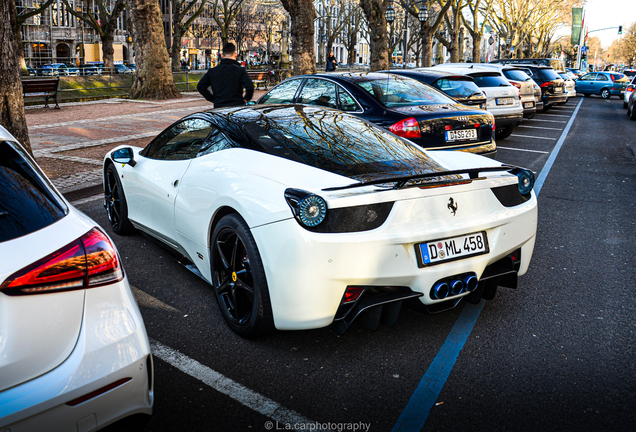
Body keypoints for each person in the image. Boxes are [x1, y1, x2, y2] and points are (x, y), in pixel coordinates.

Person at [197, 42, 254, 108]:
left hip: (219, 106)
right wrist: (246, 98)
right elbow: (250, 86)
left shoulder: (212, 71)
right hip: (236, 105)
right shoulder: (240, 70)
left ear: (222, 55)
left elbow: (201, 86)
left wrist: (213, 99)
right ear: (235, 54)